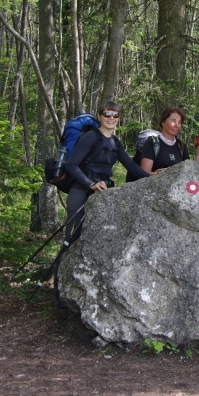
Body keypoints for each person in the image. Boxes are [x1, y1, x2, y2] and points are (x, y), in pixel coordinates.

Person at [55, 101, 150, 307]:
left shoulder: (116, 143)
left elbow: (131, 166)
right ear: (100, 116)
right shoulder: (90, 137)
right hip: (81, 191)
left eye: (115, 115)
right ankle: (60, 291)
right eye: (107, 114)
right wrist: (90, 183)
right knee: (71, 240)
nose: (111, 118)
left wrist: (153, 178)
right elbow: (72, 165)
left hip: (102, 194)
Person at [140, 107, 190, 175]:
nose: (176, 125)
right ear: (163, 122)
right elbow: (144, 173)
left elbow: (187, 173)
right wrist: (158, 174)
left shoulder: (182, 147)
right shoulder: (151, 143)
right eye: (173, 121)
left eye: (179, 122)